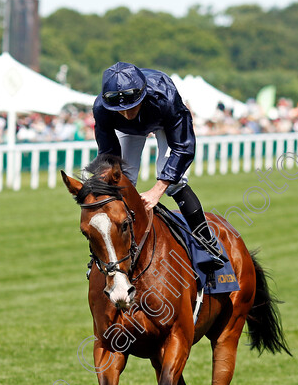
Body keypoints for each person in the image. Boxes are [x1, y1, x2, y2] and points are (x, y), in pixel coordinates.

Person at [93, 62, 226, 272]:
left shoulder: (165, 96)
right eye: (121, 111)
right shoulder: (102, 108)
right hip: (129, 130)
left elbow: (183, 148)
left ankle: (207, 245)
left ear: (143, 96)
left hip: (164, 121)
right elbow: (108, 153)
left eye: (131, 107)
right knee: (121, 181)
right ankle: (111, 252)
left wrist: (157, 190)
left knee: (175, 183)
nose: (127, 115)